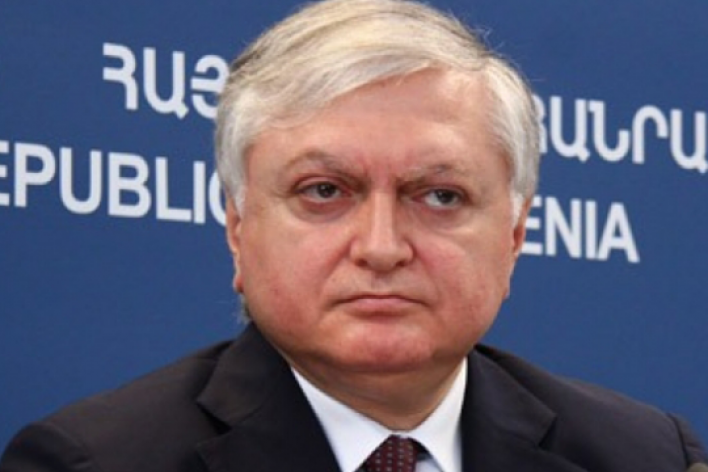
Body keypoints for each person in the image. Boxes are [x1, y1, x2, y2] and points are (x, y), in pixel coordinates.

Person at [1, 0, 706, 471]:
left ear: (515, 234)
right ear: (238, 228)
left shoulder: (646, 457)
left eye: (440, 196)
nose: (381, 247)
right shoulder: (92, 461)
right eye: (324, 192)